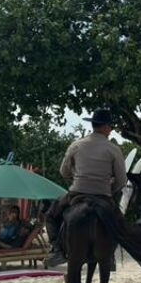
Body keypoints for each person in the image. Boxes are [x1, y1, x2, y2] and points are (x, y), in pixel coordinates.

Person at [44, 108, 131, 268]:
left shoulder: (76, 145)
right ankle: (110, 255)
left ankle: (56, 250)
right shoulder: (113, 149)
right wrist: (110, 191)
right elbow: (121, 179)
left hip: (77, 191)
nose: (111, 131)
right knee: (119, 223)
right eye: (110, 127)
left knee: (50, 215)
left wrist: (77, 177)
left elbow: (63, 171)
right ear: (105, 127)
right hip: (103, 194)